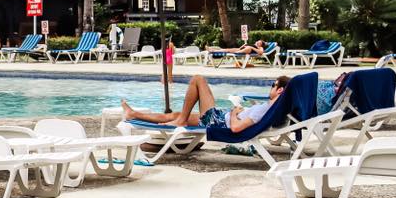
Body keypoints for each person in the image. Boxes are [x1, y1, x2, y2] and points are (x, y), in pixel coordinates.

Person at [122, 74, 289, 133]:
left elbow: (236, 128)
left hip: (219, 121)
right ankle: (133, 114)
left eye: (273, 85)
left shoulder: (265, 109)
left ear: (280, 90)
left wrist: (233, 113)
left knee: (198, 79)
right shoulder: (272, 108)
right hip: (221, 117)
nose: (271, 87)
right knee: (176, 115)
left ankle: (181, 121)